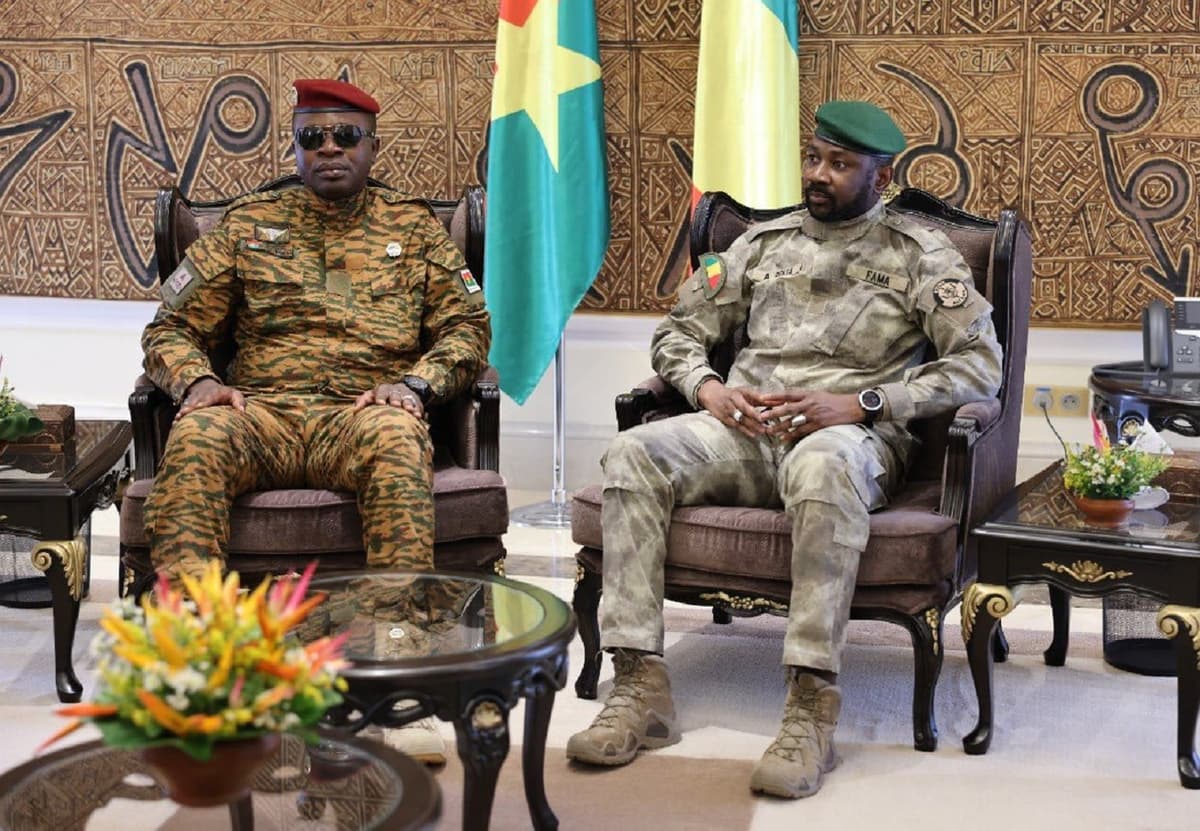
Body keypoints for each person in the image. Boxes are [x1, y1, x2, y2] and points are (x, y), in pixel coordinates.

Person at [565, 100, 1003, 798]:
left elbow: (980, 367)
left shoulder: (919, 255)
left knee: (827, 465)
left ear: (882, 173)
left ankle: (810, 703)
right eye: (814, 157)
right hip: (743, 432)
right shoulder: (757, 247)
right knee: (634, 453)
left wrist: (861, 403)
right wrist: (708, 388)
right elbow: (677, 333)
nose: (819, 174)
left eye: (839, 163)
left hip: (845, 437)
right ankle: (640, 686)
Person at [140, 78, 491, 763]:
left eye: (345, 136)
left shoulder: (415, 229)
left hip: (362, 412)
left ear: (372, 145)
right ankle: (197, 677)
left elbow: (468, 328)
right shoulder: (246, 226)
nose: (329, 148)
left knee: (395, 435)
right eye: (312, 137)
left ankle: (394, 681)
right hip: (260, 412)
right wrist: (200, 381)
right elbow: (169, 326)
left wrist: (416, 384)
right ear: (296, 146)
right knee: (198, 433)